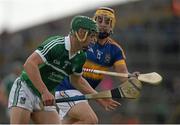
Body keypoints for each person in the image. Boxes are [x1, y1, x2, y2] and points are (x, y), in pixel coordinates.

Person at [8, 15, 100, 124]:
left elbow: (77, 81)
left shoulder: (81, 57)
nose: (94, 40)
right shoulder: (56, 44)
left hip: (45, 97)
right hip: (26, 89)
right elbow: (29, 64)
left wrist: (98, 96)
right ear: (80, 32)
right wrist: (44, 92)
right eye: (92, 36)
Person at [55, 7, 129, 124]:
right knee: (91, 120)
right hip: (67, 88)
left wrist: (132, 77)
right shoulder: (84, 40)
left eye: (107, 21)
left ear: (112, 26)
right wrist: (99, 98)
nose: (103, 24)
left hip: (83, 94)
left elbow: (122, 75)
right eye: (99, 21)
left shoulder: (115, 50)